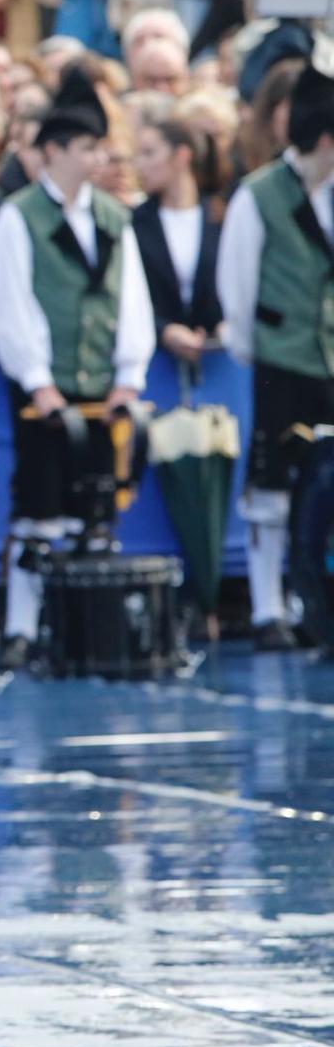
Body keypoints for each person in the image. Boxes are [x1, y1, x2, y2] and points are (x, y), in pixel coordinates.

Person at [0, 68, 156, 667]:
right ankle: (22, 627)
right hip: (48, 392)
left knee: (98, 506)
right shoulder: (20, 215)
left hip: (100, 391)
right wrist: (39, 381)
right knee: (39, 504)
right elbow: (11, 303)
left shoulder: (113, 218)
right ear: (53, 151)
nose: (97, 157)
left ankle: (87, 626)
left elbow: (130, 297)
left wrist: (129, 372)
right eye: (85, 147)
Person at [217, 65, 334, 650]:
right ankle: (268, 605)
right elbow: (236, 283)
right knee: (272, 483)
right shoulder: (259, 194)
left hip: (329, 358)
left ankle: (316, 602)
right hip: (280, 359)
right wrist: (250, 347)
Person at [132, 117, 224, 368]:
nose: (140, 165)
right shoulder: (134, 222)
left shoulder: (220, 216)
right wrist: (164, 330)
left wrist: (224, 325)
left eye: (149, 153)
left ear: (182, 156)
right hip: (156, 363)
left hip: (216, 360)